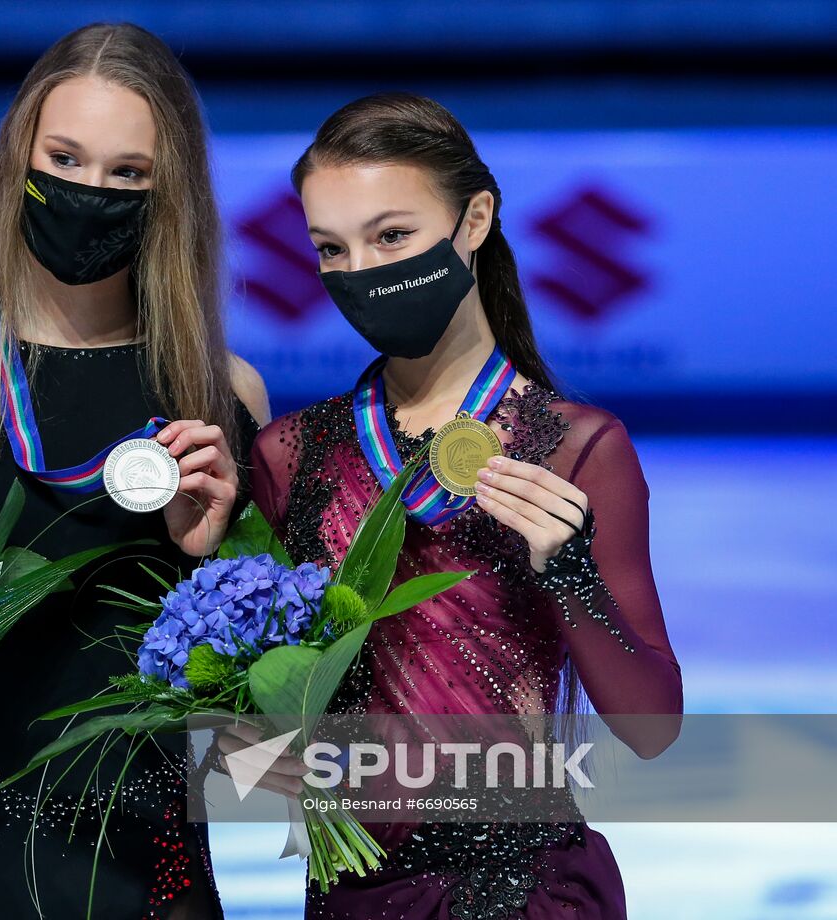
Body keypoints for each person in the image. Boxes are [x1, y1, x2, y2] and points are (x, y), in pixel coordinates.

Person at [0, 22, 270, 919]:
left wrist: (206, 554)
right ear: (16, 162)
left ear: (169, 193)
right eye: (64, 158)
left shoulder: (222, 392)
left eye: (128, 174)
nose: (89, 192)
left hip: (154, 868)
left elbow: (253, 707)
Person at [235, 92, 682, 918]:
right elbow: (253, 739)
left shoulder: (578, 447)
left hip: (533, 890)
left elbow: (653, 729)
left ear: (475, 219)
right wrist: (251, 748)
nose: (362, 270)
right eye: (332, 247)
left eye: (392, 235)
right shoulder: (290, 456)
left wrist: (571, 576)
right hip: (357, 895)